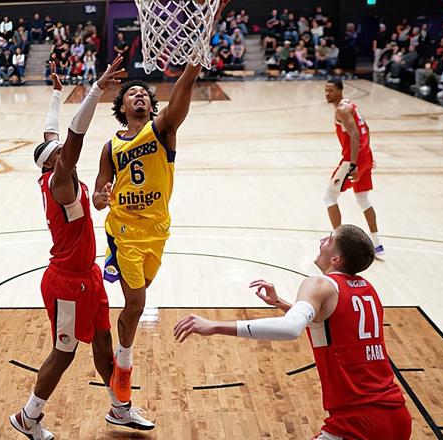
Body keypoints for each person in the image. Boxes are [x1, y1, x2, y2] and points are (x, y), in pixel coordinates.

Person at [93, 0, 231, 408]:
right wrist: (100, 196)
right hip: (123, 232)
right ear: (121, 108)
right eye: (131, 94)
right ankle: (123, 367)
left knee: (135, 305)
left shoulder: (163, 130)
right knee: (137, 303)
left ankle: (115, 343)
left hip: (157, 232)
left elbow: (188, 77)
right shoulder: (110, 147)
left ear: (151, 106)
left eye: (143, 94)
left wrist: (207, 25)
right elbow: (99, 194)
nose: (138, 96)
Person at [9, 57, 153, 440]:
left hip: (89, 275)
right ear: (54, 162)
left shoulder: (57, 167)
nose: (63, 151)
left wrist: (57, 94)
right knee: (65, 353)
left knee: (103, 342)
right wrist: (96, 89)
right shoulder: (59, 182)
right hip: (66, 283)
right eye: (58, 152)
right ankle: (28, 416)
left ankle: (120, 409)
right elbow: (73, 136)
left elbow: (53, 132)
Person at [173, 224, 412, 440]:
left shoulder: (319, 284)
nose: (321, 241)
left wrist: (215, 326)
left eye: (329, 239)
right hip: (397, 418)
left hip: (357, 423)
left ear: (336, 259)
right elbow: (329, 323)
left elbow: (291, 328)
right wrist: (282, 304)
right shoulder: (368, 290)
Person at [324, 78, 384, 259]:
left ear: (340, 91)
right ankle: (377, 244)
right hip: (365, 155)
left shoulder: (341, 110)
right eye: (326, 90)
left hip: (353, 159)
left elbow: (355, 134)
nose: (327, 94)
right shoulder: (351, 105)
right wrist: (367, 155)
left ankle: (339, 244)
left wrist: (353, 165)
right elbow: (367, 128)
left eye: (331, 90)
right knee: (362, 199)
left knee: (330, 197)